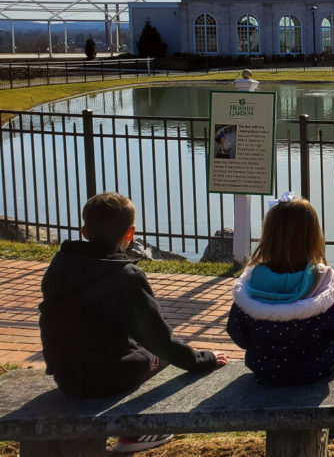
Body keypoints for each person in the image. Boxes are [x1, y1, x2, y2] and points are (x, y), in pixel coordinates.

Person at [38, 192, 228, 454]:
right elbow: (161, 341)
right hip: (107, 378)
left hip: (66, 376)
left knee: (130, 340)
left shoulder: (60, 265)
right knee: (157, 355)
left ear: (83, 231)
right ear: (130, 233)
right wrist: (203, 359)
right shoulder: (124, 275)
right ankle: (139, 432)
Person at [226, 192, 334, 386]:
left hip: (264, 370)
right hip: (316, 368)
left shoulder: (251, 284)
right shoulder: (323, 283)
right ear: (314, 237)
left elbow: (237, 332)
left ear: (268, 236)